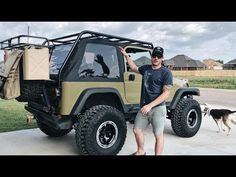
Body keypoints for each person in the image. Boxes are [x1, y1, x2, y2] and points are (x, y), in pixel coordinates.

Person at [119, 46, 173, 155]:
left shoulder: (166, 72)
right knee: (136, 130)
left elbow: (166, 93)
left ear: (162, 58)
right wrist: (126, 56)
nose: (156, 58)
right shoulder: (146, 69)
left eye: (159, 56)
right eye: (154, 56)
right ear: (151, 57)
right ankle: (141, 151)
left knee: (158, 135)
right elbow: (134, 67)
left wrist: (150, 106)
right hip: (144, 108)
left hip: (158, 108)